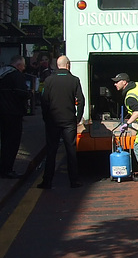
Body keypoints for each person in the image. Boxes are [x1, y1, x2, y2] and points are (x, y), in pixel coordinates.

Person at [38, 55, 85, 189]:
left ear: (57, 65)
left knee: (51, 151)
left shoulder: (49, 80)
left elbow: (44, 101)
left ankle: (47, 181)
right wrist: (78, 117)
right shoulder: (74, 80)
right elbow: (81, 100)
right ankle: (74, 181)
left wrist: (46, 117)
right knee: (71, 151)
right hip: (69, 120)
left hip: (53, 120)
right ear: (68, 65)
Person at [0, 55, 30, 179]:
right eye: (23, 66)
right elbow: (22, 93)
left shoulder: (2, 73)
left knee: (4, 141)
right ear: (18, 65)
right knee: (12, 142)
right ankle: (7, 169)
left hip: (2, 112)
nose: (23, 69)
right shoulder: (16, 75)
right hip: (13, 113)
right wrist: (29, 93)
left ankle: (3, 168)